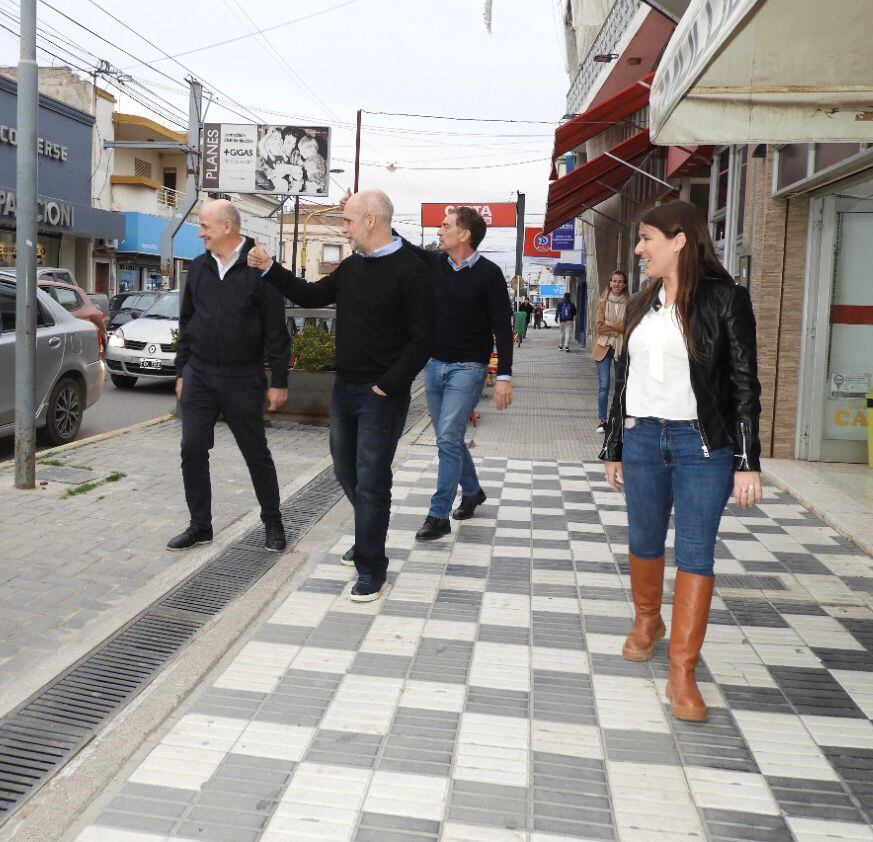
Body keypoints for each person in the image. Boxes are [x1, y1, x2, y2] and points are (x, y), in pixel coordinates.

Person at [601, 200, 762, 723]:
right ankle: (647, 622)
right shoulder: (643, 300)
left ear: (680, 241)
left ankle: (682, 674)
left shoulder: (725, 299)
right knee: (644, 540)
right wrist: (614, 446)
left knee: (696, 552)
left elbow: (743, 383)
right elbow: (623, 378)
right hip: (643, 439)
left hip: (702, 447)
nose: (640, 249)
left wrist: (747, 460)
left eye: (648, 238)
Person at [247, 190, 435, 602]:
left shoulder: (411, 270)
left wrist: (390, 383)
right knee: (345, 471)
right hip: (344, 387)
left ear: (370, 220)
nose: (343, 228)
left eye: (347, 221)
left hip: (381, 394)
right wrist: (270, 268)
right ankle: (368, 534)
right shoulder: (352, 267)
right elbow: (310, 295)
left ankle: (372, 566)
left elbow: (424, 338)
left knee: (371, 480)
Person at [382, 204, 513, 541]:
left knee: (447, 438)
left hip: (468, 368)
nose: (439, 231)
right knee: (449, 437)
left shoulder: (489, 274)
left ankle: (438, 515)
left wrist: (504, 377)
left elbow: (502, 326)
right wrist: (374, 218)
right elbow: (402, 244)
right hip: (434, 365)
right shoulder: (435, 263)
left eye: (445, 226)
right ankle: (472, 490)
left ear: (463, 235)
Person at [169, 199, 290, 554]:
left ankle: (273, 521)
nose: (200, 231)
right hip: (200, 374)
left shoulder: (259, 267)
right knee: (192, 448)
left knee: (255, 452)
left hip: (242, 377)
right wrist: (182, 370)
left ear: (227, 227)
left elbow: (275, 331)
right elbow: (187, 322)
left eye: (205, 225)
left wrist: (279, 379)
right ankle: (200, 526)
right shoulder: (198, 267)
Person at [593, 270, 629, 433]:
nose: (616, 284)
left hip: (620, 348)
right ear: (609, 282)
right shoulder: (602, 302)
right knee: (604, 385)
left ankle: (618, 419)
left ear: (625, 284)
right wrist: (617, 329)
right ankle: (602, 420)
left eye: (620, 281)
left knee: (620, 385)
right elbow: (599, 327)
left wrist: (611, 326)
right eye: (614, 281)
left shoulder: (629, 302)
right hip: (603, 348)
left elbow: (627, 326)